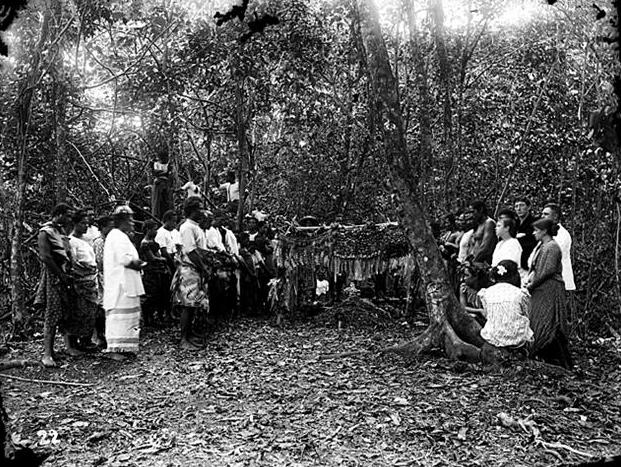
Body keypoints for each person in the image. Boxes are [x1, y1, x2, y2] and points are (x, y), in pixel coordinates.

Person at [525, 218, 572, 369]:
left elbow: (548, 270)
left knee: (550, 320)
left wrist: (532, 284)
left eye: (536, 230)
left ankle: (558, 360)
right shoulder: (543, 246)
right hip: (542, 288)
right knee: (540, 319)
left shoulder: (552, 247)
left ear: (544, 231)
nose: (534, 233)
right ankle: (544, 354)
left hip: (549, 288)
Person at [103, 206, 145, 361]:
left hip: (128, 281)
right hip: (120, 284)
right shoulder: (116, 236)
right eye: (131, 219)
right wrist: (137, 263)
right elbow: (124, 259)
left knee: (129, 316)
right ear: (122, 221)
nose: (133, 222)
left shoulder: (122, 236)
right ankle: (114, 349)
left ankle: (125, 347)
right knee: (118, 317)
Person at [35, 203, 74, 367]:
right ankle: (47, 354)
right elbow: (45, 256)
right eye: (67, 215)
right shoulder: (45, 232)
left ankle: (68, 347)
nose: (69, 219)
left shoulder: (60, 231)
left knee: (64, 311)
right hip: (53, 276)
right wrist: (60, 274)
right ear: (59, 214)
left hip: (64, 275)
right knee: (52, 312)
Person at [171, 196, 211, 349]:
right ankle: (184, 339)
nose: (202, 212)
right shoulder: (187, 227)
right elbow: (191, 251)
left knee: (194, 304)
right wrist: (203, 268)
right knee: (187, 304)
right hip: (190, 269)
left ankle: (190, 333)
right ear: (192, 211)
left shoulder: (197, 227)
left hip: (196, 269)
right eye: (199, 209)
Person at [477, 260, 533, 360]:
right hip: (517, 339)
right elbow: (527, 314)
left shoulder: (487, 293)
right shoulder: (520, 293)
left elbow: (487, 314)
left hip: (494, 337)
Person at [68, 210, 98, 351]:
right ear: (75, 224)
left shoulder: (85, 240)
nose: (86, 226)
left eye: (87, 223)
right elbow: (73, 261)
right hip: (80, 279)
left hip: (91, 278)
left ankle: (86, 340)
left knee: (90, 311)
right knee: (79, 311)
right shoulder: (71, 241)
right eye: (82, 223)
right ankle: (75, 343)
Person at [541, 202, 576, 307]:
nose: (542, 216)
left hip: (559, 283)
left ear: (555, 217)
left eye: (546, 214)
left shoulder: (562, 235)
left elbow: (551, 258)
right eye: (542, 214)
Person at [139, 220, 170, 326]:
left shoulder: (153, 242)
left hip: (158, 272)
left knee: (160, 295)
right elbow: (152, 258)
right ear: (148, 230)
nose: (156, 231)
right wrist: (162, 259)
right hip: (150, 272)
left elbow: (157, 254)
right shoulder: (145, 244)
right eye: (154, 229)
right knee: (150, 296)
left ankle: (159, 317)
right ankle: (148, 318)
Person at [92, 215, 114, 348]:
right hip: (102, 277)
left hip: (112, 276)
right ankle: (99, 335)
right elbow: (100, 262)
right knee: (101, 307)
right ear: (102, 228)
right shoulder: (99, 242)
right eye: (109, 227)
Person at [467, 200, 497, 264]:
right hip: (476, 260)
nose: (471, 215)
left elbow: (485, 246)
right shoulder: (479, 224)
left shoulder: (489, 223)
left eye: (473, 212)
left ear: (480, 210)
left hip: (485, 262)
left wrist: (473, 262)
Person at [514, 197, 537, 271]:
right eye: (516, 206)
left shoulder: (535, 223)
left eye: (521, 205)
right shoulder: (514, 223)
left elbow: (532, 241)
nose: (518, 209)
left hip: (528, 261)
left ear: (529, 207)